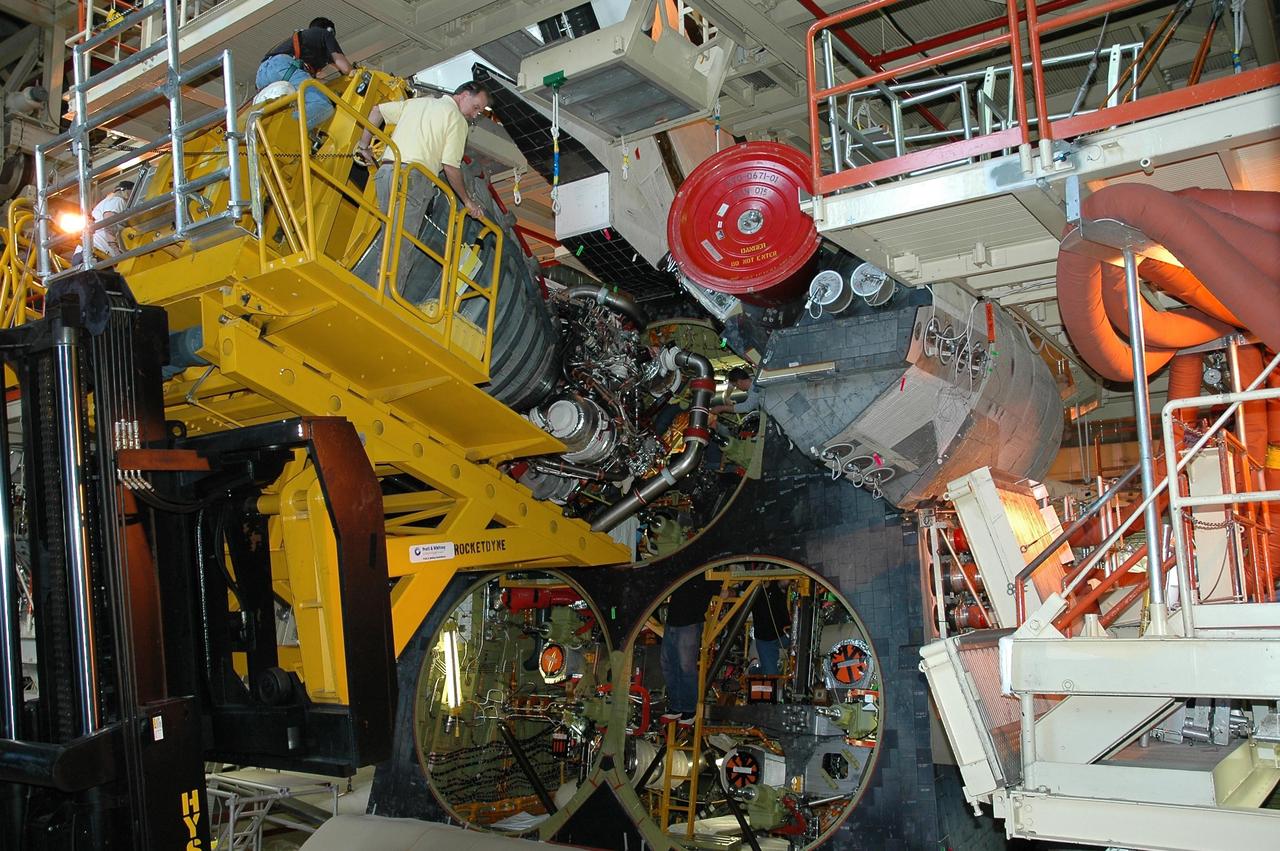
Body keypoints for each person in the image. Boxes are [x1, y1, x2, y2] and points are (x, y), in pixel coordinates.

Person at [353, 82, 490, 292]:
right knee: (402, 244)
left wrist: (364, 146)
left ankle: (377, 292)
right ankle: (387, 301)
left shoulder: (418, 103)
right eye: (476, 107)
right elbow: (451, 167)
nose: (475, 114)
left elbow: (376, 110)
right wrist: (468, 201)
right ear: (463, 95)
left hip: (388, 173)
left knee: (389, 235)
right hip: (414, 179)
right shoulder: (456, 119)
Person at [256, 18, 353, 129]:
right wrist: (355, 71)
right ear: (330, 30)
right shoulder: (325, 34)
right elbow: (345, 68)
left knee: (285, 110)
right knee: (322, 105)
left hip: (262, 75)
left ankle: (275, 130)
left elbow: (312, 82)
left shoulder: (305, 41)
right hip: (285, 67)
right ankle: (288, 130)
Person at [659, 573, 719, 726]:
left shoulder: (704, 572)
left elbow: (718, 586)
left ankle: (688, 709)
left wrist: (728, 590)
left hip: (689, 622)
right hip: (674, 621)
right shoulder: (686, 569)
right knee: (668, 664)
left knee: (685, 667)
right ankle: (677, 707)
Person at [72, 180, 133, 264]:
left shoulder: (106, 202)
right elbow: (108, 221)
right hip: (96, 253)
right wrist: (115, 249)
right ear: (126, 191)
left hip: (88, 253)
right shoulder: (117, 200)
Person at [751, 581, 791, 676]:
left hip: (785, 634)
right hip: (765, 640)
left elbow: (785, 582)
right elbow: (737, 592)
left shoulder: (776, 583)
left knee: (806, 644)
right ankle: (754, 670)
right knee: (770, 675)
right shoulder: (751, 585)